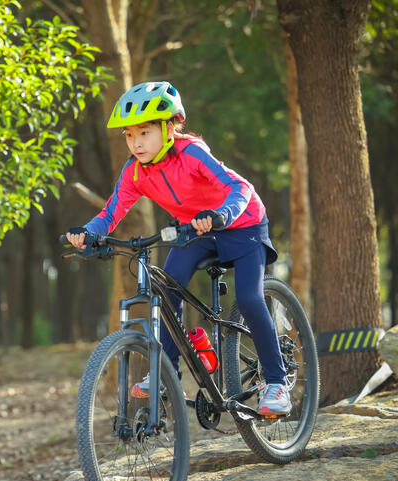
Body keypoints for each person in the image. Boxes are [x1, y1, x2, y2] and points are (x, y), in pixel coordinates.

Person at [65, 81, 290, 415]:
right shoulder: (135, 171)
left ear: (170, 127)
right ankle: (165, 374)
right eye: (129, 135)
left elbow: (239, 187)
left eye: (144, 133)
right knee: (167, 289)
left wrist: (222, 214)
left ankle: (276, 382)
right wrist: (87, 233)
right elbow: (111, 212)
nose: (136, 143)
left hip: (242, 223)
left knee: (248, 297)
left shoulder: (192, 153)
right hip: (195, 230)